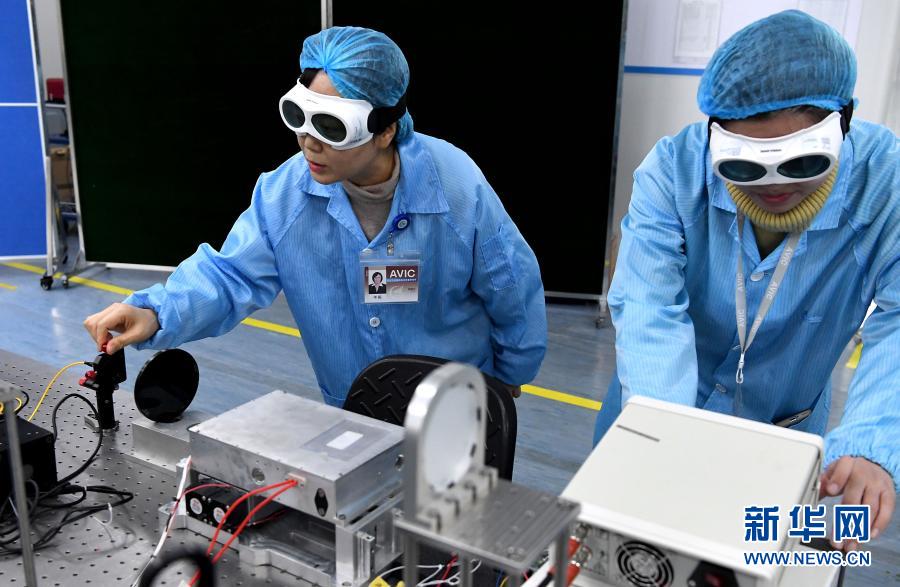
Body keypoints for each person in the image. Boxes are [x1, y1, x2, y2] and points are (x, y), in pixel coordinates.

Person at [84, 26, 546, 405]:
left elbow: (511, 285)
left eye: (330, 126)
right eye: (300, 116)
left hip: (455, 406)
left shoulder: (456, 188)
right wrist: (155, 313)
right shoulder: (285, 195)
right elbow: (231, 275)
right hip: (354, 405)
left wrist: (509, 376)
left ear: (385, 130)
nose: (308, 142)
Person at [596, 11, 898, 545]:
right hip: (658, 403)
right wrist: (664, 436)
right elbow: (647, 308)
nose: (773, 188)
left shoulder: (885, 185)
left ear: (842, 125)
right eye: (745, 168)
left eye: (801, 164)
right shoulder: (673, 171)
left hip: (782, 436)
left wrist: (872, 441)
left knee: (765, 559)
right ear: (717, 139)